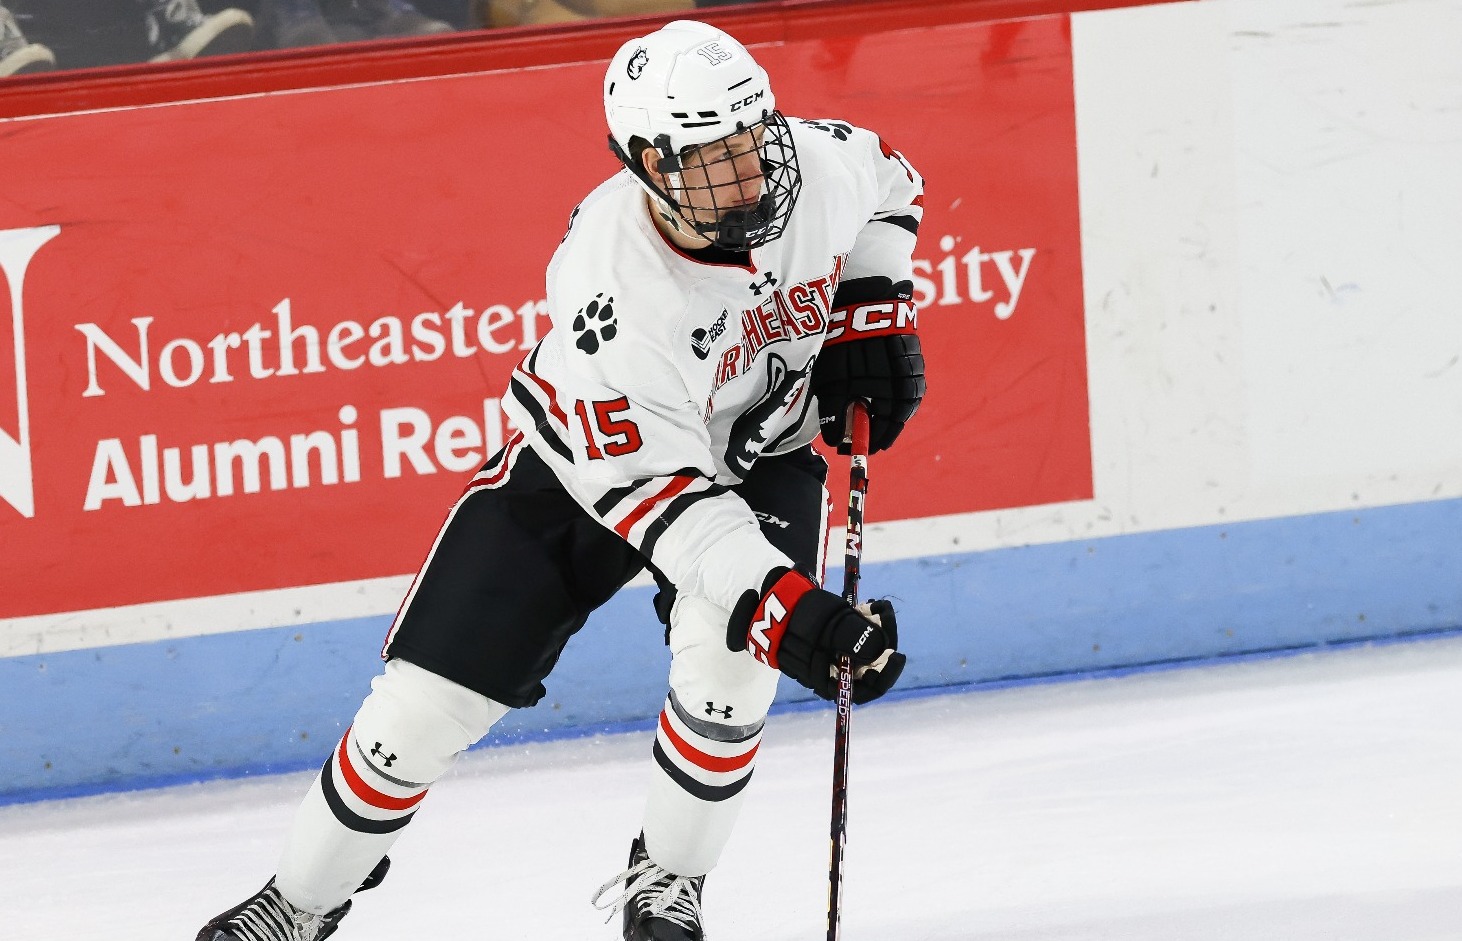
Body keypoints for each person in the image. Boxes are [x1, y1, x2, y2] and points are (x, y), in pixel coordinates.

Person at [196, 18, 926, 941]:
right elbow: (674, 510)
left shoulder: (816, 165)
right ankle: (298, 900)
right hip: (592, 469)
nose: (752, 172)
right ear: (653, 166)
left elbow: (893, 185)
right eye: (716, 158)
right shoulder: (610, 288)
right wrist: (796, 612)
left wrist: (872, 302)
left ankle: (669, 878)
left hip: (762, 449)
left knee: (730, 668)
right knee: (424, 704)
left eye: (755, 137)